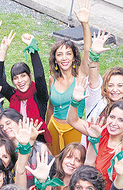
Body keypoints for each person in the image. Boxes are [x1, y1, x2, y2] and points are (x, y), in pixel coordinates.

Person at [67, 78, 123, 190]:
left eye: (120, 120)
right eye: (112, 117)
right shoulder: (100, 132)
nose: (114, 123)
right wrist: (75, 101)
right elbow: (72, 120)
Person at [46, 0, 92, 155]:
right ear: (55, 59)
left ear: (74, 57)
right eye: (60, 54)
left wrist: (85, 24)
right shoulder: (53, 79)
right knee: (55, 167)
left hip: (74, 130)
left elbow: (88, 50)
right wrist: (46, 132)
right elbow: (50, 108)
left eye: (68, 53)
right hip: (54, 128)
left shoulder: (81, 75)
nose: (64, 58)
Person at [0, 31, 50, 143]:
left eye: (23, 76)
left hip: (37, 142)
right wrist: (3, 50)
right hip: (15, 142)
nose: (20, 81)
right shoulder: (14, 96)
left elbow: (39, 76)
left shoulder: (39, 94)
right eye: (16, 78)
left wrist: (32, 49)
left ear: (30, 76)